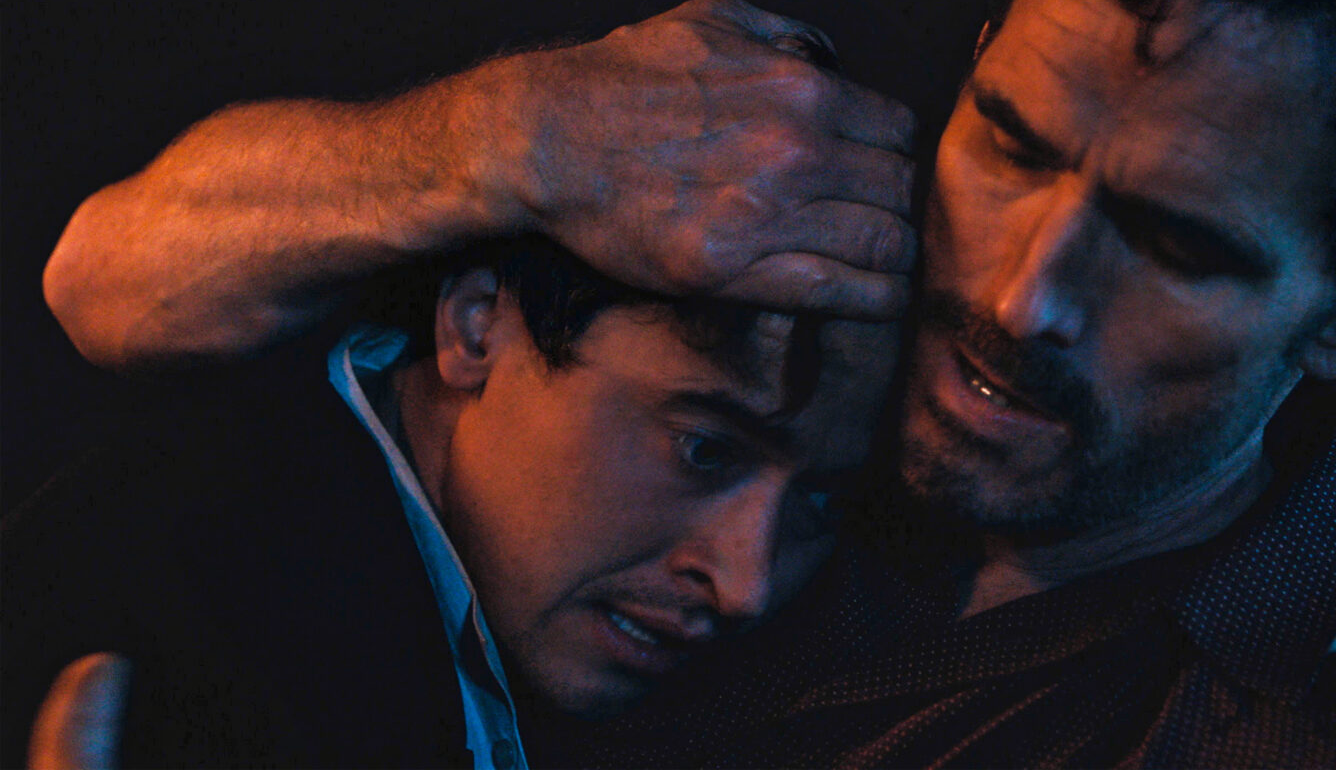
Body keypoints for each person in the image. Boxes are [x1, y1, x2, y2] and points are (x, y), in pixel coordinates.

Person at [31, 0, 1336, 767]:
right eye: (1009, 143)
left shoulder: (1278, 728)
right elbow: (107, 274)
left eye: (1176, 245)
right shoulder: (806, 278)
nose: (1022, 297)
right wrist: (509, 140)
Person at [2, 236, 899, 768]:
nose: (746, 583)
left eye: (820, 502)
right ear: (477, 327)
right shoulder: (194, 602)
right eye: (704, 449)